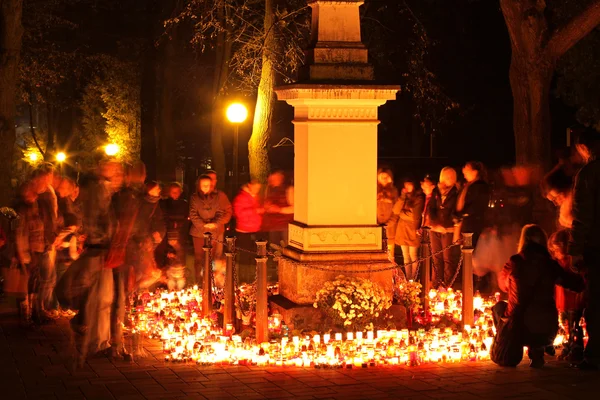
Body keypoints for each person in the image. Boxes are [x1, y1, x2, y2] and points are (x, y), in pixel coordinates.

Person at [492, 225, 583, 368]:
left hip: (518, 326)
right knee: (535, 313)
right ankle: (537, 351)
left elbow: (502, 284)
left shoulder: (515, 262)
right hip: (547, 328)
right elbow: (575, 284)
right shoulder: (550, 265)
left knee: (499, 308)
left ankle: (509, 343)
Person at [568, 128, 600, 370]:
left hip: (596, 246)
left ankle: (595, 354)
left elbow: (582, 215)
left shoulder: (588, 174)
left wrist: (575, 248)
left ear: (584, 148)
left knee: (596, 300)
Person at [549, 229, 585, 362]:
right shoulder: (558, 263)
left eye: (556, 249)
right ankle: (568, 347)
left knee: (573, 327)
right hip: (562, 302)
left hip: (573, 301)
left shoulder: (571, 262)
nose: (555, 253)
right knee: (566, 327)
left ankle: (574, 348)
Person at [189, 174, 232, 285]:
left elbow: (220, 212)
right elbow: (193, 214)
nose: (206, 187)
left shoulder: (217, 197)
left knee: (211, 257)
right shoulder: (194, 198)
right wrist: (203, 226)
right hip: (198, 232)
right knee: (199, 257)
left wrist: (215, 224)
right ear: (199, 185)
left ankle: (209, 280)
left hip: (213, 231)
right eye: (203, 185)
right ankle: (199, 281)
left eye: (208, 185)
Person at [14, 183, 45, 326]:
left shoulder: (35, 211)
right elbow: (20, 235)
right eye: (32, 194)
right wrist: (22, 256)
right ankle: (26, 314)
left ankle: (32, 312)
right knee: (25, 284)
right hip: (27, 253)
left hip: (36, 251)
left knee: (34, 283)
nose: (35, 196)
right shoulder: (22, 212)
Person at [428, 167, 460, 288]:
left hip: (448, 230)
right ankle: (436, 284)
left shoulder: (456, 192)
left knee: (448, 258)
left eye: (451, 176)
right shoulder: (436, 192)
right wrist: (435, 223)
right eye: (447, 176)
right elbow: (431, 208)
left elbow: (455, 210)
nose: (449, 179)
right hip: (435, 229)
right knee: (436, 258)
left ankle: (447, 285)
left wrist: (445, 224)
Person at [389, 179, 424, 281]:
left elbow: (414, 216)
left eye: (409, 185)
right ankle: (408, 278)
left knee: (413, 255)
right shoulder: (403, 197)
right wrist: (402, 197)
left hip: (413, 229)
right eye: (406, 185)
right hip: (402, 229)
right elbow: (396, 210)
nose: (407, 188)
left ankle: (414, 278)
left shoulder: (418, 197)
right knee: (405, 255)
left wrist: (403, 213)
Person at [455, 161, 490, 248]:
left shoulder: (481, 187)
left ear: (475, 172)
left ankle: (470, 261)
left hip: (473, 226)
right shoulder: (467, 186)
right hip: (466, 225)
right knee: (465, 250)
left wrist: (462, 214)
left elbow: (476, 206)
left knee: (469, 250)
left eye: (466, 171)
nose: (464, 174)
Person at [233, 180, 264, 273]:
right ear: (250, 185)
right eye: (256, 188)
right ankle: (243, 276)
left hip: (255, 229)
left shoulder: (255, 197)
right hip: (244, 230)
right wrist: (255, 210)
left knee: (254, 255)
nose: (257, 190)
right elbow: (239, 213)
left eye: (259, 188)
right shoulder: (241, 197)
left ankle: (253, 276)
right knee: (244, 256)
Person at [158, 182, 188, 267]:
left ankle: (180, 270)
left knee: (179, 253)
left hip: (180, 233)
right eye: (173, 192)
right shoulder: (164, 203)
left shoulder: (184, 204)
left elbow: (186, 219)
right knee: (167, 255)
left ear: (180, 192)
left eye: (177, 192)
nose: (175, 194)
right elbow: (163, 218)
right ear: (169, 192)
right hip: (167, 232)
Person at [261, 171, 294, 247]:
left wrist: (279, 209)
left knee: (287, 248)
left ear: (281, 178)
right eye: (271, 179)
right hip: (273, 225)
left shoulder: (289, 189)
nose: (272, 182)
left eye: (274, 179)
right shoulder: (269, 189)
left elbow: (295, 208)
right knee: (274, 248)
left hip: (286, 226)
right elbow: (266, 202)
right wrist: (266, 207)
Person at [377, 168, 398, 252]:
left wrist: (390, 222)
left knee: (389, 254)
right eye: (382, 177)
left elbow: (396, 210)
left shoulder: (394, 191)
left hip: (389, 229)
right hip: (376, 227)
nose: (384, 179)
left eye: (386, 177)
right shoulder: (374, 190)